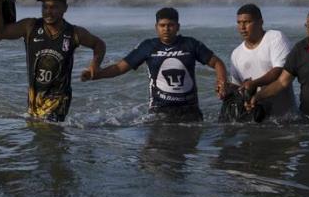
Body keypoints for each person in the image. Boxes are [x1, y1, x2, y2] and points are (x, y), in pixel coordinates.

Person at [83, 7, 227, 122]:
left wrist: (221, 82)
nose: (166, 29)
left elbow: (217, 63)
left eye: (170, 25)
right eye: (162, 25)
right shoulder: (148, 46)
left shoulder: (191, 44)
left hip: (190, 109)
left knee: (185, 154)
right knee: (157, 154)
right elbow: (120, 68)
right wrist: (95, 75)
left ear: (178, 27)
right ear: (156, 27)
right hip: (160, 111)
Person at [0, 0, 106, 122]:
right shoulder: (30, 26)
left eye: (54, 7)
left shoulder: (74, 33)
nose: (48, 12)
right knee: (37, 134)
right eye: (45, 7)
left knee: (50, 133)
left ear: (65, 8)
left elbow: (99, 44)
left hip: (60, 99)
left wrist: (94, 66)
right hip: (35, 98)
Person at [227, 3, 296, 119]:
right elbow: (238, 87)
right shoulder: (236, 53)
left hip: (285, 118)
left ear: (260, 22)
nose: (242, 27)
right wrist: (226, 88)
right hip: (256, 118)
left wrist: (254, 83)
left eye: (247, 22)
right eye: (239, 23)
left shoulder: (275, 37)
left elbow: (279, 71)